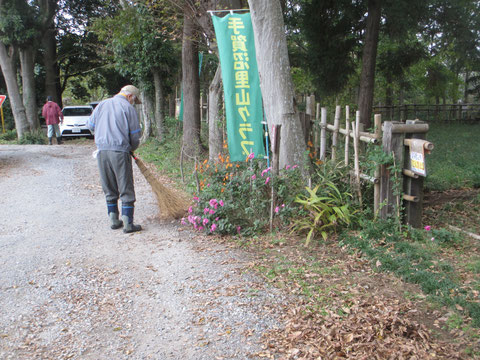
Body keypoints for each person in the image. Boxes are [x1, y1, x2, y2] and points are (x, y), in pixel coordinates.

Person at [87, 85, 143, 233]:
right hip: (120, 152)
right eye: (134, 100)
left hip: (102, 151)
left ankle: (113, 220)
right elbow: (135, 136)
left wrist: (103, 136)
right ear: (131, 96)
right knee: (126, 187)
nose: (133, 103)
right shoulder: (128, 108)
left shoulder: (102, 104)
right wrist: (131, 148)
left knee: (109, 186)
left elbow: (90, 125)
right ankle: (128, 224)